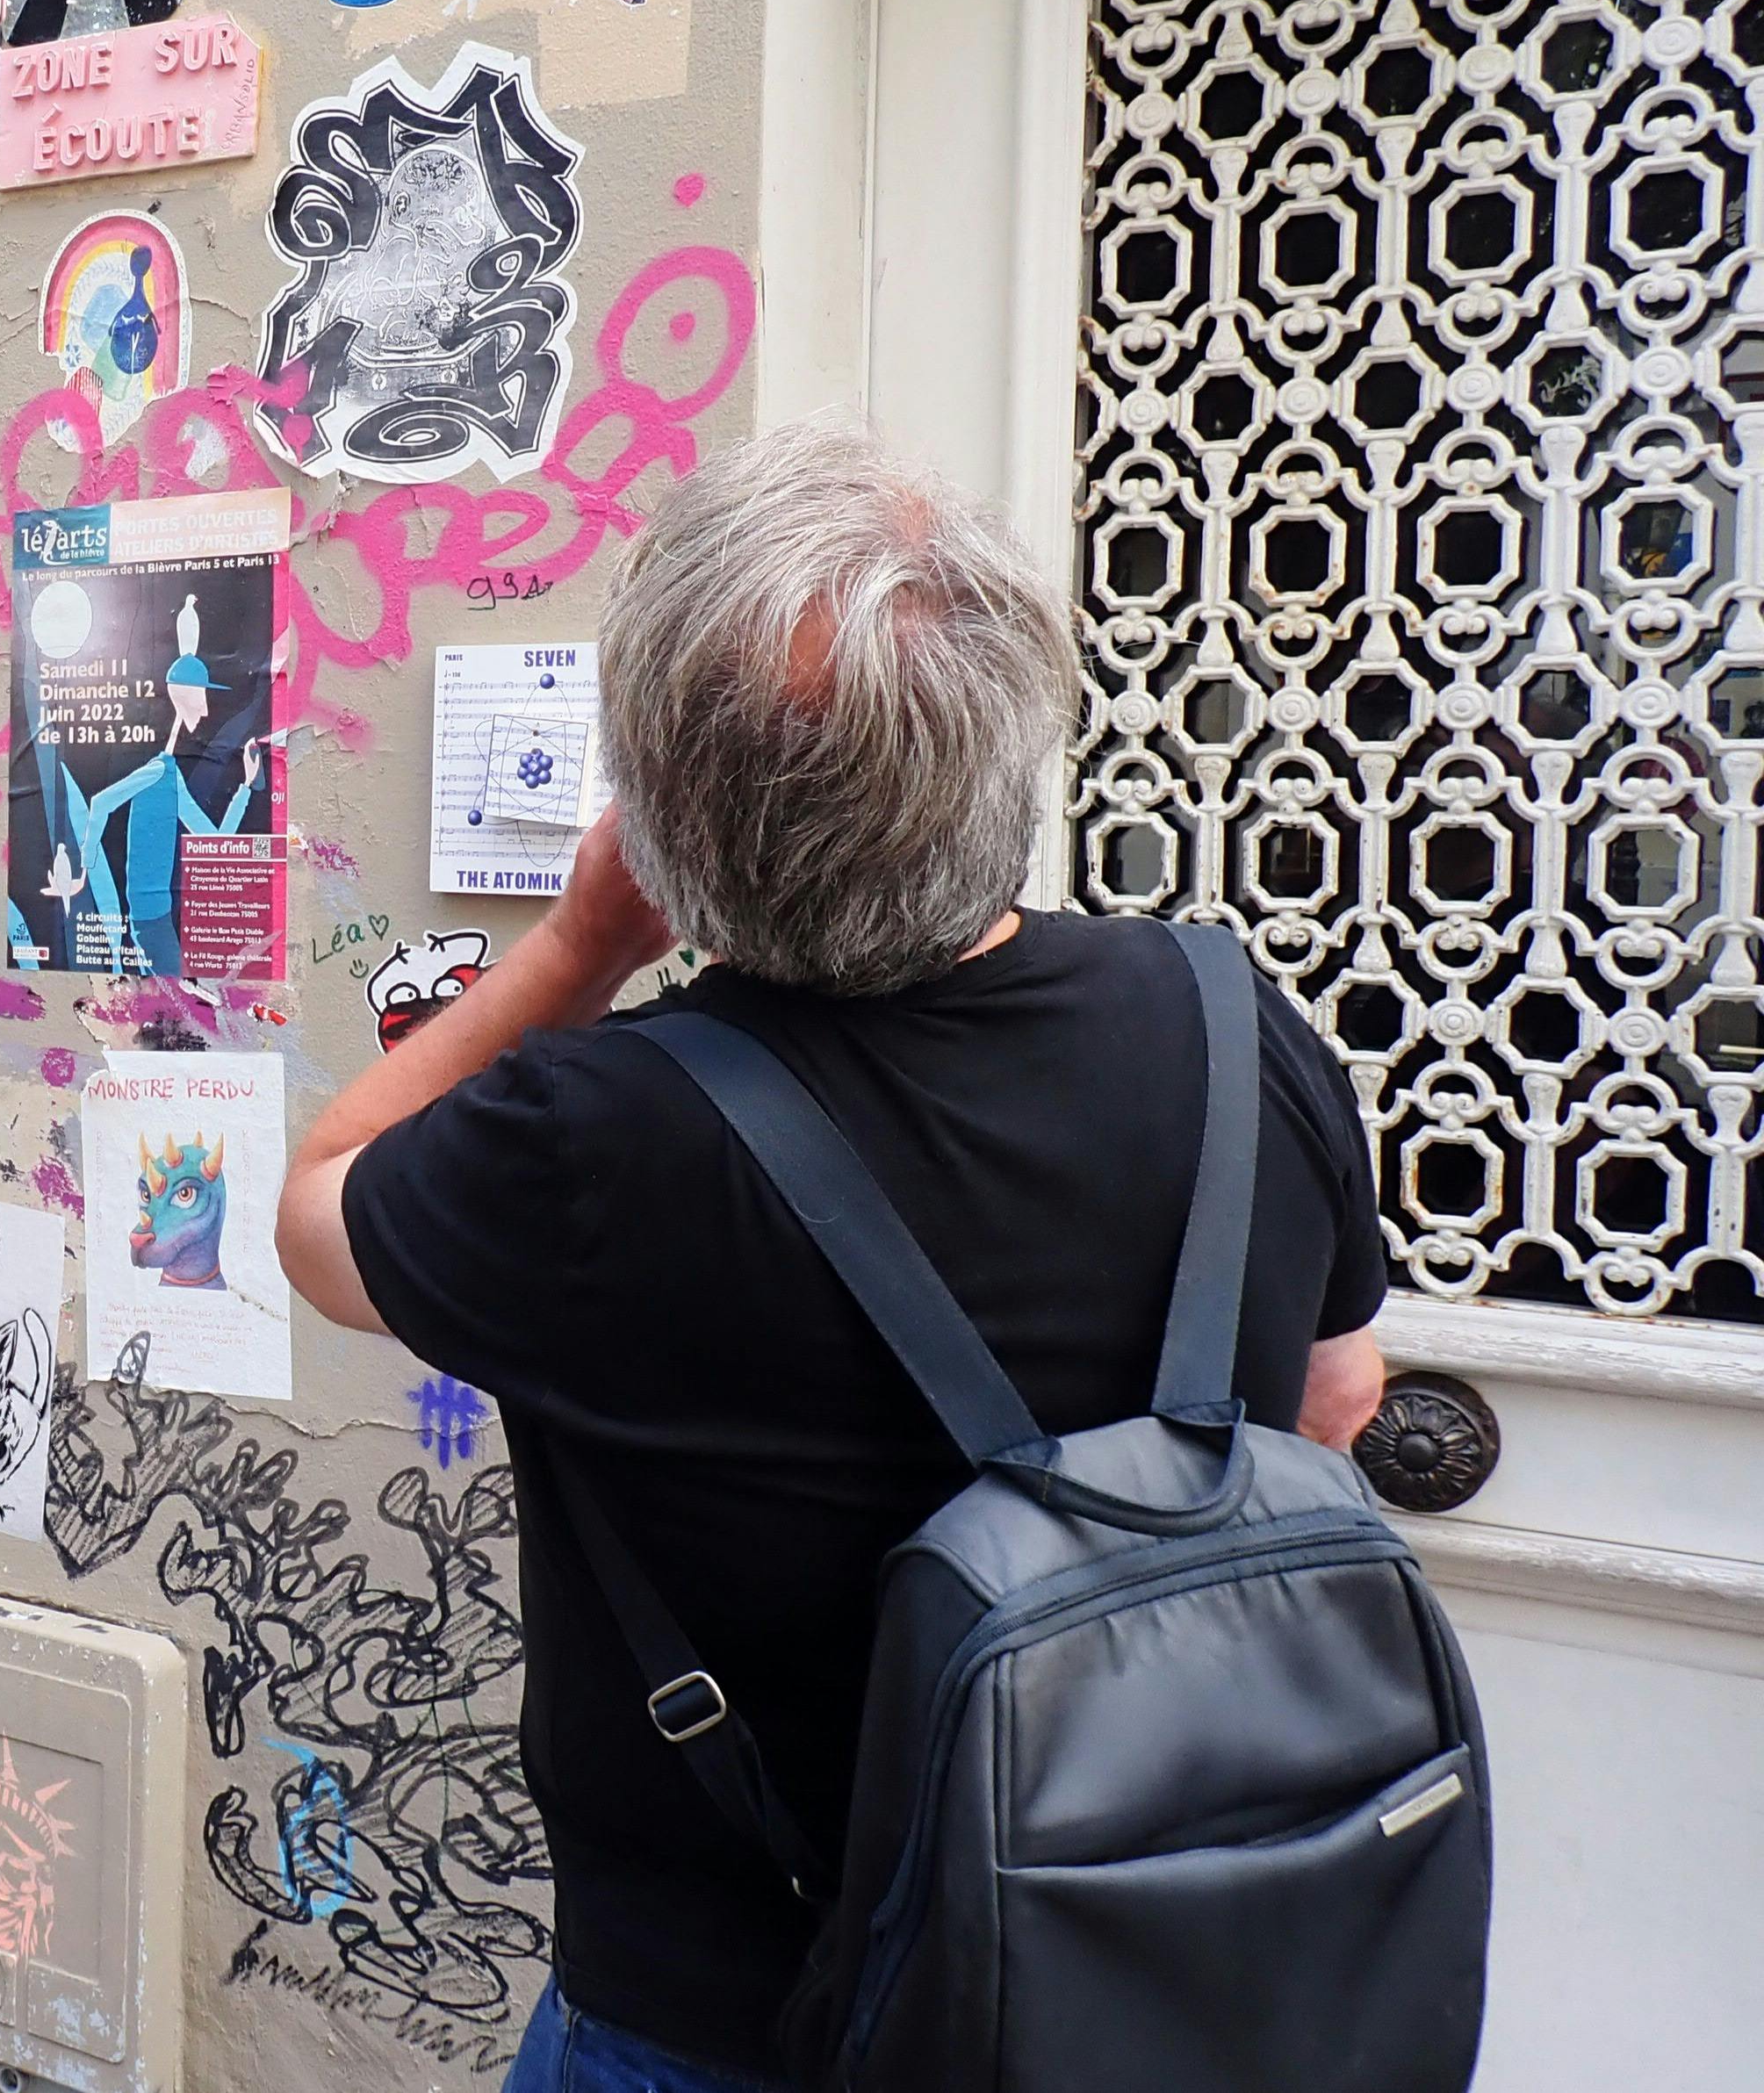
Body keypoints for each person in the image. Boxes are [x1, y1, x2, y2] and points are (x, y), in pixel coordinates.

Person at [275, 423, 1392, 2093]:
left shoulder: (601, 1136)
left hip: (727, 2011)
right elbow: (1335, 1392)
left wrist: (582, 941)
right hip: (1152, 1968)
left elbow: (320, 1204)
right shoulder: (1229, 1025)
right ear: (1010, 750)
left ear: (660, 803)